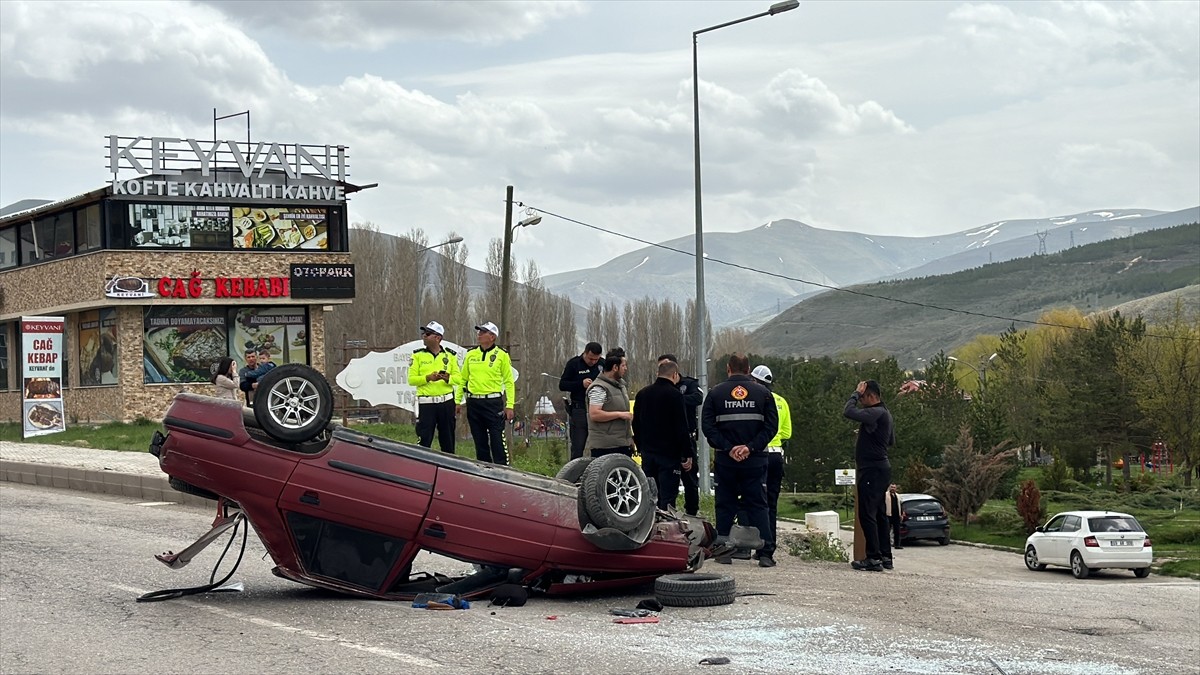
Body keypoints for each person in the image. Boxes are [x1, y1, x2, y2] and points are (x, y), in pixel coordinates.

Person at [701, 353, 778, 568]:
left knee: (725, 504)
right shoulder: (763, 394)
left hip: (726, 460)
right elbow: (771, 427)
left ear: (728, 369)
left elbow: (707, 427)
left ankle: (724, 550)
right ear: (748, 369)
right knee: (758, 505)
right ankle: (765, 553)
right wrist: (750, 447)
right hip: (755, 461)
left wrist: (729, 447)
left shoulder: (715, 394)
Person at [844, 380, 896, 572]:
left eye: (863, 397)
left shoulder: (876, 412)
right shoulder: (886, 414)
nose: (861, 401)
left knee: (867, 514)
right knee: (880, 514)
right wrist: (870, 433)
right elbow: (890, 440)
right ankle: (885, 556)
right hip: (881, 469)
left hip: (872, 469)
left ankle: (873, 558)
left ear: (871, 396)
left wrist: (855, 394)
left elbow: (848, 411)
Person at [632, 359, 694, 509]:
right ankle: (666, 527)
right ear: (674, 375)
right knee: (667, 497)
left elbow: (636, 423)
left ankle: (650, 526)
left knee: (650, 495)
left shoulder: (642, 394)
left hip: (648, 453)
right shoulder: (675, 395)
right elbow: (681, 427)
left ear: (658, 374)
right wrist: (687, 453)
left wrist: (641, 447)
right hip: (669, 455)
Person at [455, 322, 515, 465]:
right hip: (474, 402)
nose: (479, 334)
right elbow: (463, 379)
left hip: (492, 403)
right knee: (479, 441)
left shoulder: (501, 355)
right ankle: (483, 471)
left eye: (483, 332)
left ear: (492, 337)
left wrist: (510, 405)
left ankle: (503, 471)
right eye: (479, 332)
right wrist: (457, 401)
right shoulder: (471, 354)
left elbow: (509, 381)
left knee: (497, 441)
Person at [750, 364, 792, 563]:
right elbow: (787, 433)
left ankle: (756, 545)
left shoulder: (755, 399)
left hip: (759, 454)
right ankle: (769, 548)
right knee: (772, 505)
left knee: (756, 502)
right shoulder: (782, 402)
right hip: (776, 455)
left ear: (755, 381)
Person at [658, 354, 703, 516]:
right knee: (667, 479)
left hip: (686, 437)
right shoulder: (659, 387)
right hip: (666, 440)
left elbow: (698, 397)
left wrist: (677, 400)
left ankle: (692, 511)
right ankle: (666, 511)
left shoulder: (688, 384)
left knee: (690, 478)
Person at [408, 321, 459, 454]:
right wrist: (428, 378)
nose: (424, 336)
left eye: (428, 333)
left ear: (438, 338)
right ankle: (422, 469)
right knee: (424, 441)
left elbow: (459, 379)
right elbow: (411, 380)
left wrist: (448, 378)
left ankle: (449, 470)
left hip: (446, 403)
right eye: (423, 333)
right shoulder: (417, 355)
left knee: (448, 442)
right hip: (426, 403)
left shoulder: (450, 356)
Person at [584, 348, 634, 458]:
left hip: (622, 444)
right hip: (605, 447)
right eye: (623, 365)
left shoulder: (620, 386)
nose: (625, 369)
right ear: (615, 367)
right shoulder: (599, 388)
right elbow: (595, 414)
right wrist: (620, 414)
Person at [558, 342, 603, 461]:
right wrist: (580, 384)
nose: (593, 362)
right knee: (578, 446)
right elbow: (562, 385)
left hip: (598, 409)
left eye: (596, 359)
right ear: (585, 353)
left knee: (599, 446)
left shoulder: (603, 364)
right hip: (580, 409)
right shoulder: (574, 364)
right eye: (591, 359)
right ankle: (574, 474)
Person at [888, 484, 904, 549]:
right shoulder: (886, 495)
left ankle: (897, 544)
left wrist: (901, 514)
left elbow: (901, 505)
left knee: (897, 531)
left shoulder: (898, 496)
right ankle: (886, 544)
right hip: (888, 515)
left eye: (894, 487)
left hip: (896, 516)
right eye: (892, 487)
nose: (893, 488)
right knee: (887, 531)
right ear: (889, 487)